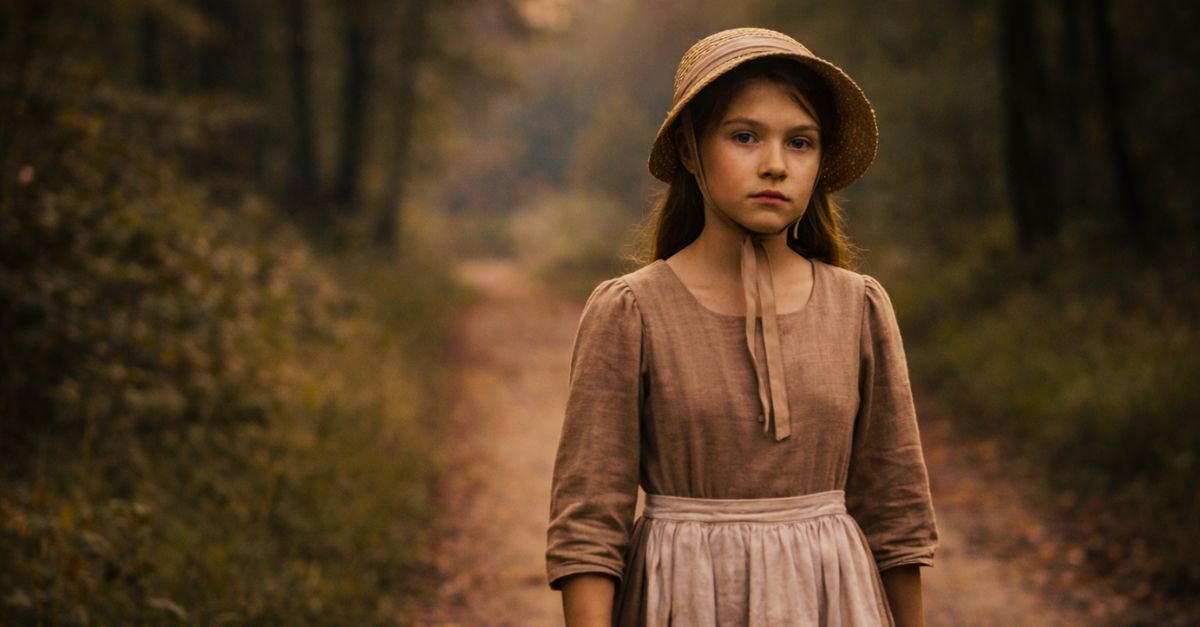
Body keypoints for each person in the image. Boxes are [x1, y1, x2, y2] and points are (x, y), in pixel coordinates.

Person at [545, 27, 938, 627]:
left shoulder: (859, 308)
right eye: (745, 137)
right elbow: (588, 528)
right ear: (689, 149)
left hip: (834, 604)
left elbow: (897, 516)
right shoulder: (631, 311)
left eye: (800, 143)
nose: (775, 165)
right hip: (683, 601)